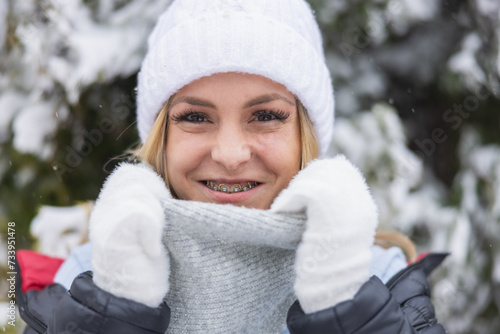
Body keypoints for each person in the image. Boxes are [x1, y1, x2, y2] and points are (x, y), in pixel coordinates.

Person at [15, 0, 448, 333]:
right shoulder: (87, 283)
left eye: (265, 116)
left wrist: (347, 307)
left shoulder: (383, 287)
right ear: (161, 138)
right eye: (195, 117)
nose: (229, 154)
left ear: (306, 135)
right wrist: (113, 310)